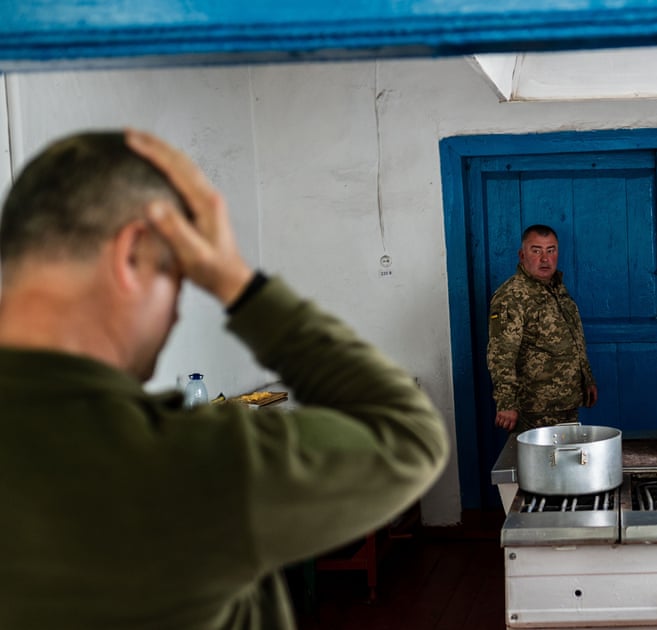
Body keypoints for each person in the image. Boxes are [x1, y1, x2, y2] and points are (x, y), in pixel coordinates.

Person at [0, 130, 449, 629]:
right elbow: (409, 436)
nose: (175, 315)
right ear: (131, 255)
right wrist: (238, 284)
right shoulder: (179, 462)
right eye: (178, 277)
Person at [487, 224, 598, 433]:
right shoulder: (511, 296)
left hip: (566, 402)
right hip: (535, 409)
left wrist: (587, 379)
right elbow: (501, 354)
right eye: (536, 251)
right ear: (522, 255)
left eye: (551, 250)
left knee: (568, 454)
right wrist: (506, 403)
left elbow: (574, 339)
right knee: (537, 456)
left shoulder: (557, 289)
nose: (545, 259)